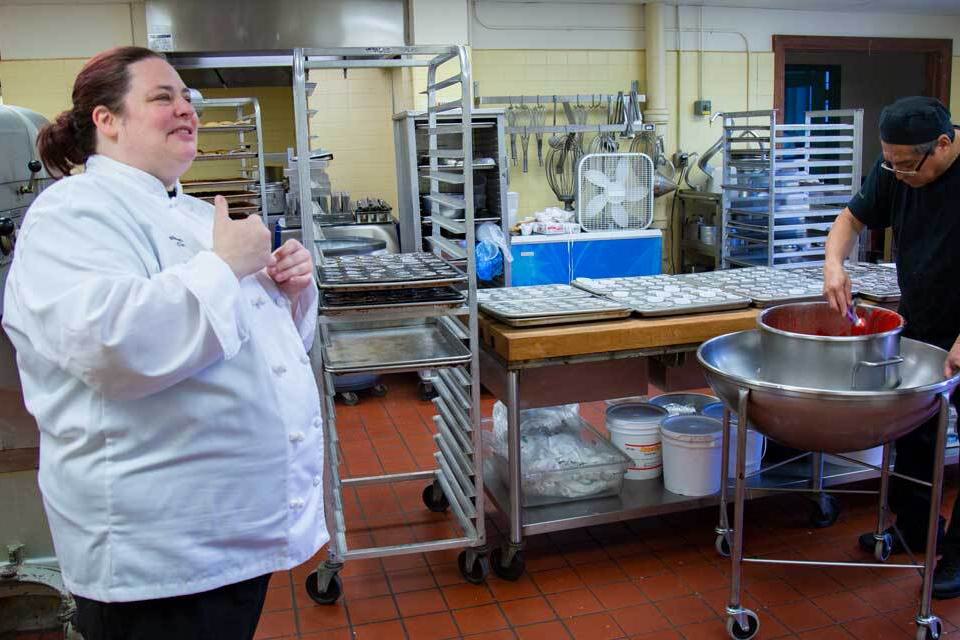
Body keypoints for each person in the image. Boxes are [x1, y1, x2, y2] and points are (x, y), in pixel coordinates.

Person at [1, 46, 328, 638]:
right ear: (108, 119)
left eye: (187, 97)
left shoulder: (195, 213)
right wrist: (225, 268)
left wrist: (289, 290)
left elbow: (263, 344)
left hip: (223, 534)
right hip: (158, 549)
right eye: (161, 97)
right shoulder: (71, 213)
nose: (186, 109)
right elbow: (113, 345)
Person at [823, 95, 960, 599]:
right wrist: (834, 263)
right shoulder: (896, 167)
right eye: (890, 163)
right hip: (924, 318)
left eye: (906, 165)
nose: (897, 174)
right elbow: (850, 219)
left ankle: (958, 558)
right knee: (918, 429)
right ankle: (915, 526)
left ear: (943, 145)